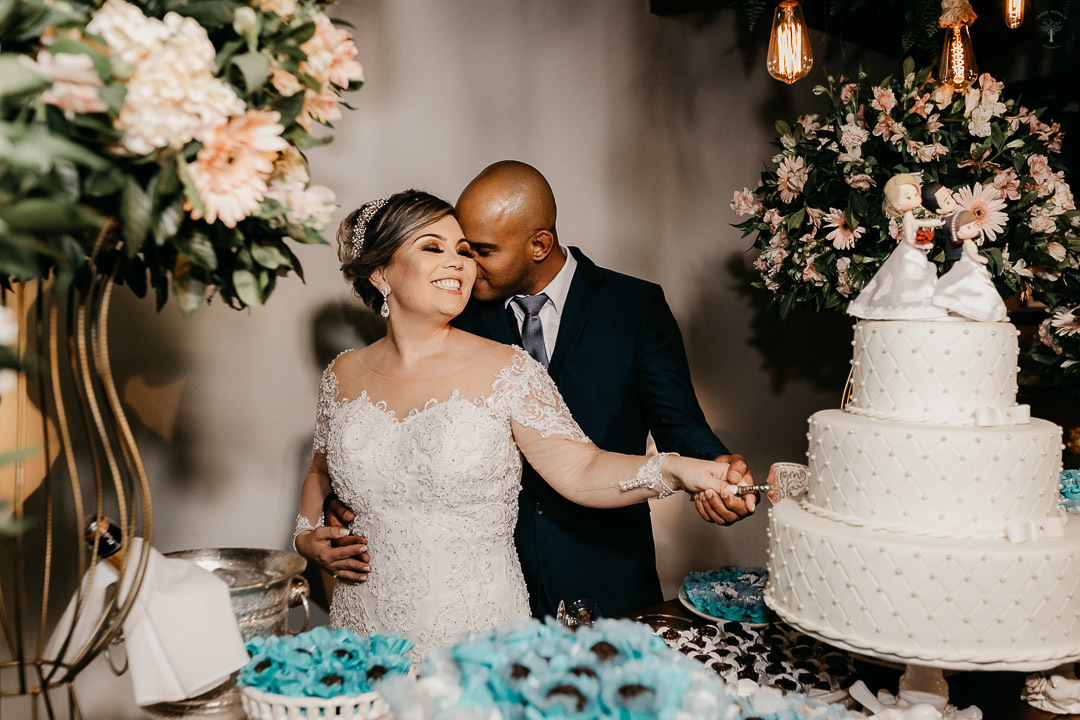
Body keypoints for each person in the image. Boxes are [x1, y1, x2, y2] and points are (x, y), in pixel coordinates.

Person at [293, 189, 750, 657]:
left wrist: (674, 469)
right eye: (433, 247)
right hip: (363, 626)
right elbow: (319, 470)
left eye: (464, 251)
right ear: (380, 272)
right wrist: (308, 537)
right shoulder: (343, 374)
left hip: (473, 631)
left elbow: (580, 468)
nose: (458, 263)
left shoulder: (507, 368)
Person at [847, 173, 947, 321]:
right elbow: (909, 237)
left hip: (913, 251)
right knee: (910, 278)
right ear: (897, 204)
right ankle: (907, 306)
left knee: (917, 278)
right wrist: (923, 243)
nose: (915, 199)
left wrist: (935, 223)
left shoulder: (910, 217)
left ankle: (920, 307)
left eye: (915, 194)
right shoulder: (907, 220)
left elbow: (920, 223)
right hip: (909, 252)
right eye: (908, 197)